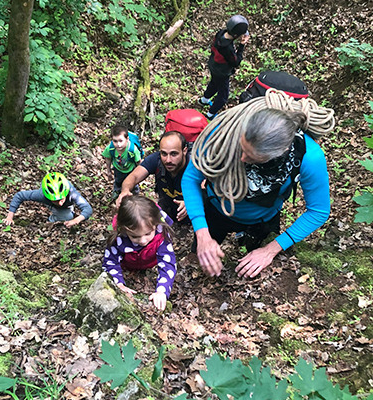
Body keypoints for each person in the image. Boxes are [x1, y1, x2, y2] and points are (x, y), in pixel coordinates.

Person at [182, 92, 335, 279]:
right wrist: (202, 234)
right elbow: (191, 178)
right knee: (200, 258)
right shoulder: (223, 133)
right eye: (242, 148)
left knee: (252, 269)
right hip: (216, 208)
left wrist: (270, 250)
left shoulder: (309, 157)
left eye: (252, 157)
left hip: (264, 218)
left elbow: (318, 211)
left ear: (281, 152)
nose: (241, 158)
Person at [102, 195, 176, 311]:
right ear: (125, 229)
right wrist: (118, 284)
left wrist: (162, 290)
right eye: (135, 236)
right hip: (127, 264)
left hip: (150, 262)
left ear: (156, 225)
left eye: (148, 234)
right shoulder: (119, 237)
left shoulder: (161, 235)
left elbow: (168, 264)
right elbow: (110, 262)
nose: (143, 241)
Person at [116, 131, 190, 224]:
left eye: (174, 154)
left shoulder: (195, 165)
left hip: (192, 214)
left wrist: (191, 202)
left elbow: (206, 189)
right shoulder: (156, 159)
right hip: (165, 211)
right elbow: (134, 176)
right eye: (164, 154)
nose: (168, 160)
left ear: (184, 151)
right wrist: (125, 190)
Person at [199, 15, 250, 120]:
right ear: (236, 35)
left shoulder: (221, 33)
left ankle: (204, 100)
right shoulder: (227, 48)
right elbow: (235, 62)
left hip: (213, 65)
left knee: (214, 83)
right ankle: (210, 114)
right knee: (223, 96)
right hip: (222, 72)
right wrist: (242, 45)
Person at [4, 172, 92, 228]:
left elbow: (87, 209)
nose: (60, 203)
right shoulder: (41, 195)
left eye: (61, 199)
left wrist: (76, 220)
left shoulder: (71, 192)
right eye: (56, 200)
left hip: (68, 203)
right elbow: (19, 196)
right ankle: (52, 219)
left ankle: (67, 210)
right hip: (50, 203)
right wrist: (10, 217)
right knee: (67, 216)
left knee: (70, 216)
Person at [102, 124, 142, 199]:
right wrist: (109, 171)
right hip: (118, 168)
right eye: (115, 141)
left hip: (131, 169)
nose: (118, 144)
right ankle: (117, 191)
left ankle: (135, 195)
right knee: (118, 181)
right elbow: (108, 158)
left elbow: (138, 162)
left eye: (121, 141)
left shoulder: (133, 150)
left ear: (127, 139)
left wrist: (139, 175)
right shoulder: (111, 148)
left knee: (133, 183)